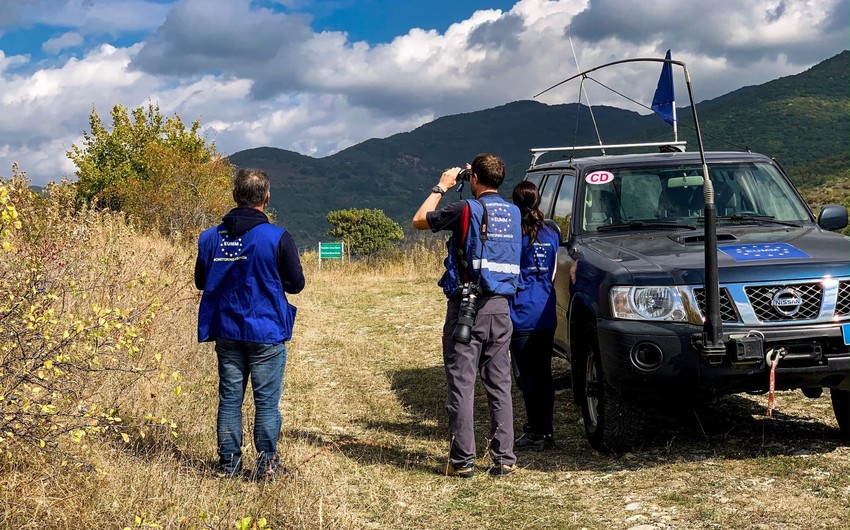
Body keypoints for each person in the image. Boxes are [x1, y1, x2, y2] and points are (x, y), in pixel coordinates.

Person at [412, 153, 522, 478]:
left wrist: (442, 186)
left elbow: (419, 220)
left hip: (467, 307)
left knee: (462, 383)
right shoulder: (514, 212)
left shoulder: (466, 209)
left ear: (473, 179)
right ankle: (504, 458)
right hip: (502, 307)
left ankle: (462, 461)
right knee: (500, 383)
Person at [195, 168, 305, 478]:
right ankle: (267, 467)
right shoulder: (278, 237)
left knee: (230, 399)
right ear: (266, 199)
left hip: (226, 330)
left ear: (234, 196)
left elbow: (201, 280)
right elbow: (296, 285)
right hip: (266, 331)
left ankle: (228, 466)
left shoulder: (209, 238)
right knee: (266, 403)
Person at [509, 181, 559, 451]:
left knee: (527, 376)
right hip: (546, 310)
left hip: (520, 312)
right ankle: (547, 430)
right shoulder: (551, 232)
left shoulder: (514, 234)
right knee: (543, 373)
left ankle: (535, 431)